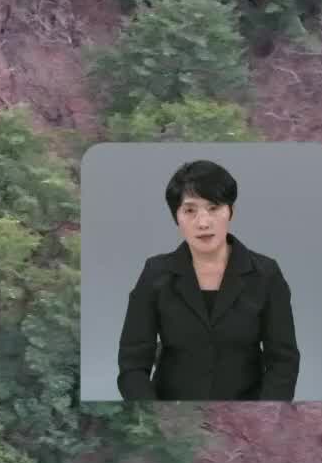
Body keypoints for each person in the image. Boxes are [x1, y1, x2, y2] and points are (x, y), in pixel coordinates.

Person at [116, 160, 300, 400]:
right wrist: (155, 414)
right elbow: (132, 364)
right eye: (190, 210)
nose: (203, 222)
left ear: (230, 211)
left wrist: (264, 413)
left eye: (213, 208)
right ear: (176, 217)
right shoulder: (155, 273)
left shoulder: (265, 274)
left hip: (246, 411)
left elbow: (283, 362)